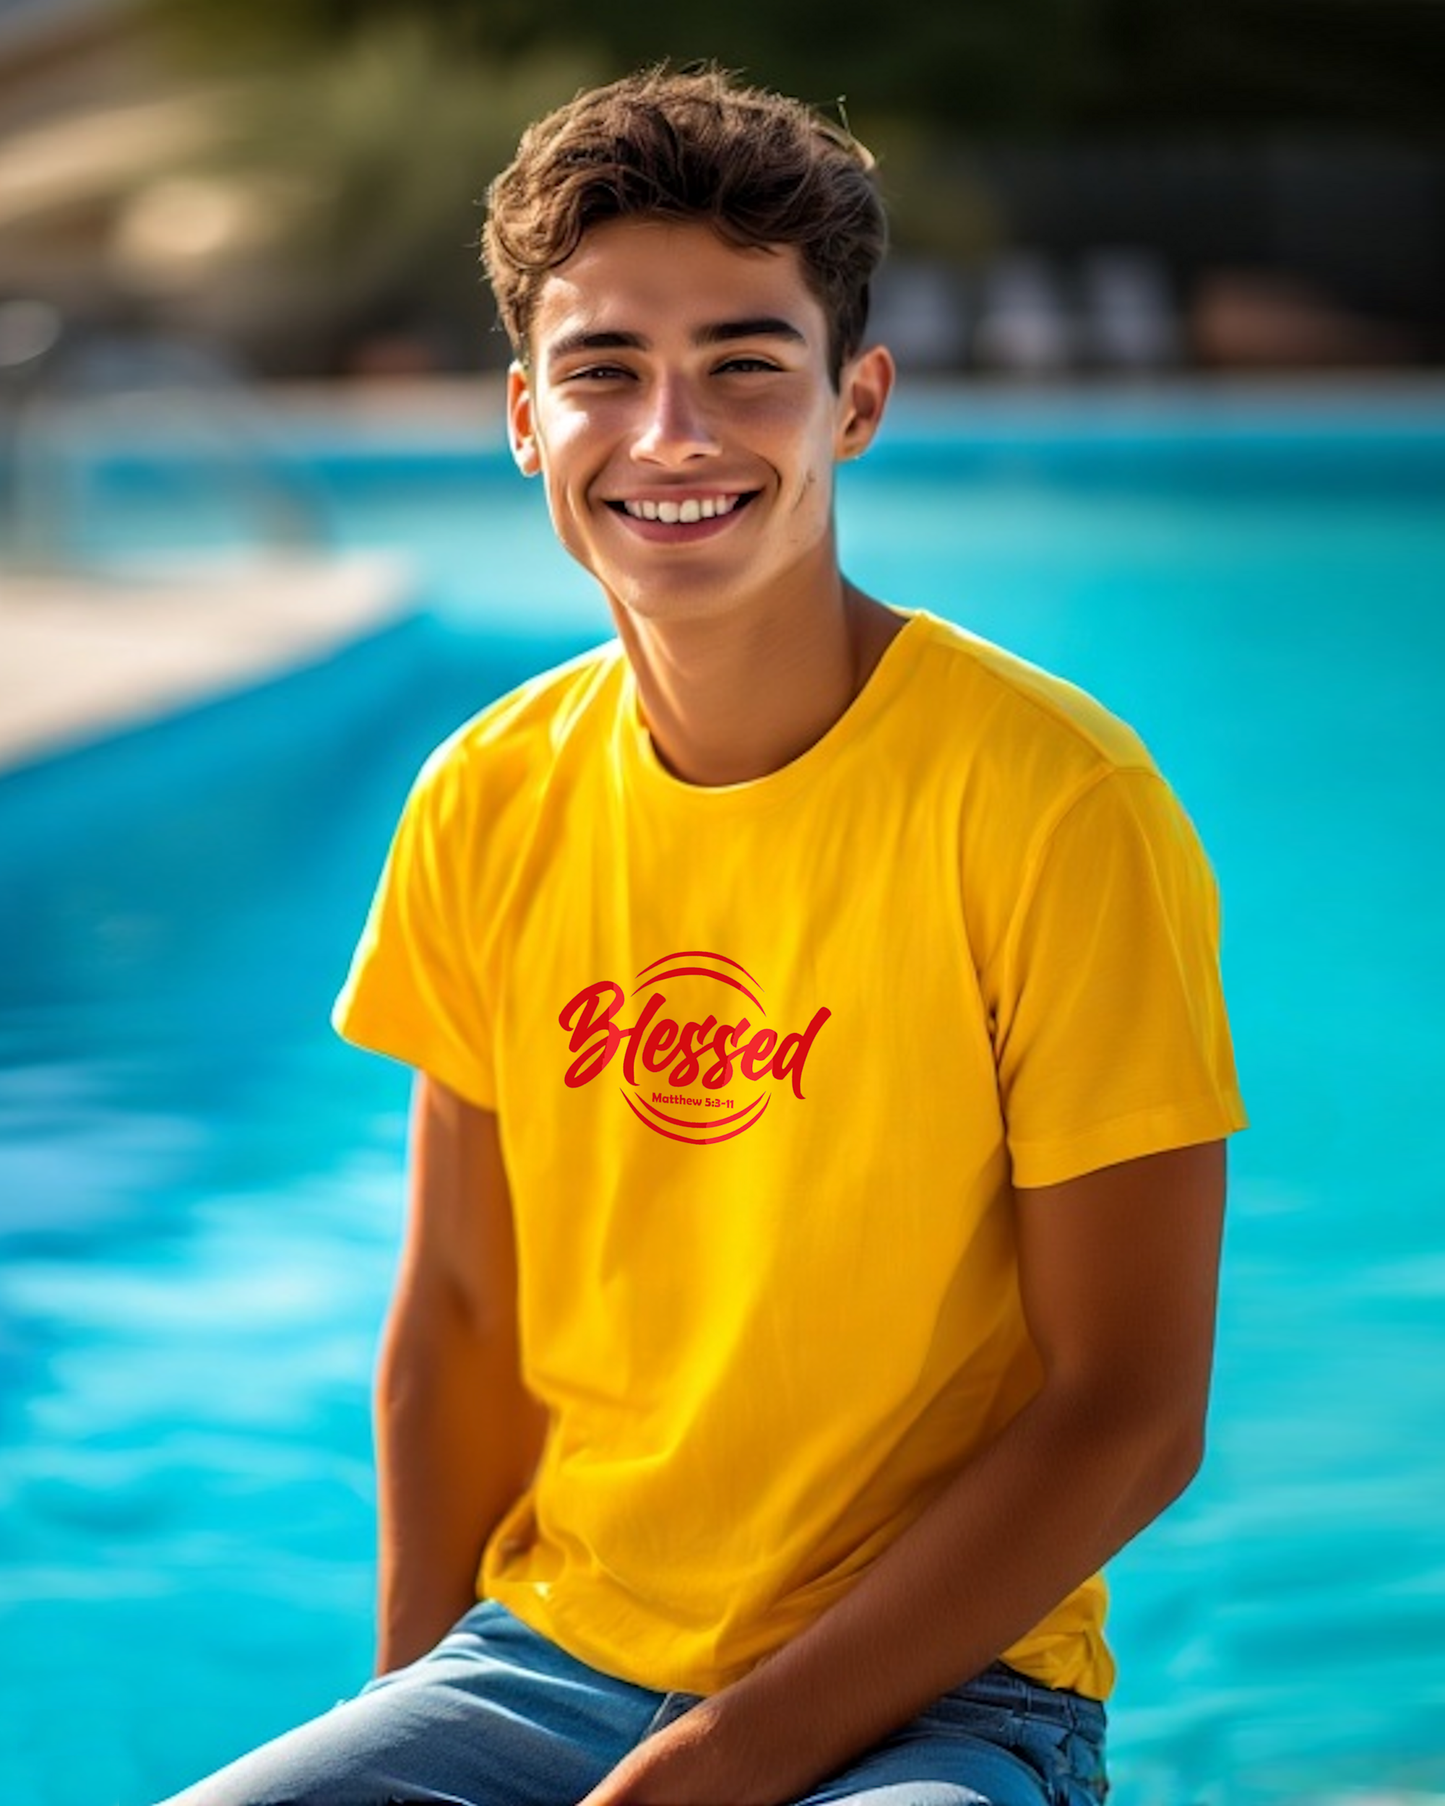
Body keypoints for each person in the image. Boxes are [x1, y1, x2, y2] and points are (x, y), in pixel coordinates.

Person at [163, 62, 1246, 1806]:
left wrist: (712, 1768)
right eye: (605, 369)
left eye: (746, 365)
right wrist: (415, 1705)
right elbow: (459, 1314)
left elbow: (1129, 1406)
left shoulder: (1055, 802)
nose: (672, 434)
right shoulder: (486, 794)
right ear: (526, 417)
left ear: (855, 400)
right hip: (543, 1661)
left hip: (948, 1700)